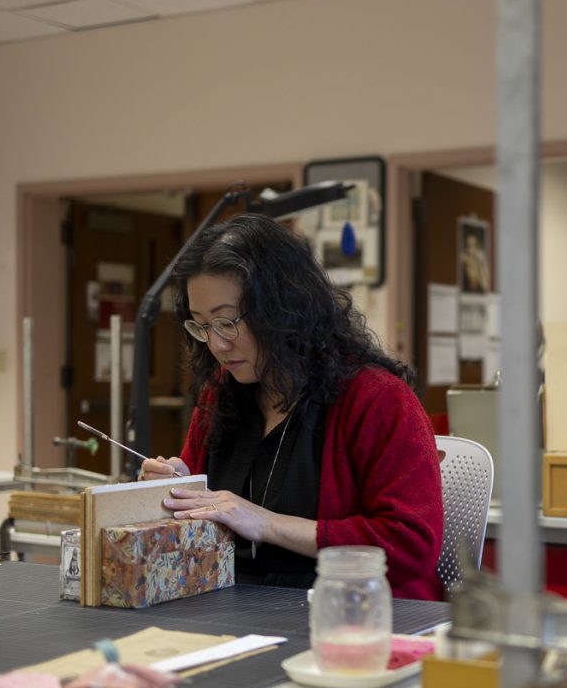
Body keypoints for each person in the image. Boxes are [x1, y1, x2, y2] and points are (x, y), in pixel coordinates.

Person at [141, 213, 444, 601]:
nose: (216, 345)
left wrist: (265, 523)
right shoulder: (222, 393)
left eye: (228, 322)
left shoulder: (378, 399)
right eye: (202, 326)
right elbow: (201, 523)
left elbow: (411, 545)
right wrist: (177, 488)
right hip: (235, 604)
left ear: (283, 310)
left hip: (348, 612)